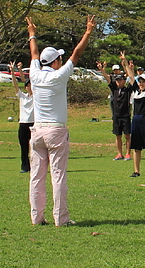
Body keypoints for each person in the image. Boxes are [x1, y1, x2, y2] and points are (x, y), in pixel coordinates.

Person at [26, 14, 96, 227]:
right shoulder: (59, 75)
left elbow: (34, 53)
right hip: (56, 131)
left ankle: (37, 218)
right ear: (55, 61)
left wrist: (32, 34)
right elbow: (76, 53)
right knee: (58, 176)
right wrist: (88, 32)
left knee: (36, 177)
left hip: (37, 131)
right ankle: (61, 219)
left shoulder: (35, 74)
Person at [98, 56, 131, 161]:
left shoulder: (127, 90)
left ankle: (128, 154)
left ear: (123, 81)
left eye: (120, 80)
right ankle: (119, 154)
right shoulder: (115, 90)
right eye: (117, 81)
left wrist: (125, 64)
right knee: (118, 135)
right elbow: (108, 79)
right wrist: (102, 70)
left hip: (125, 115)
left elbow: (131, 76)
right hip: (116, 116)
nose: (118, 82)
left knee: (127, 135)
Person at [11, 62, 34, 173]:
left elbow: (25, 79)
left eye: (31, 85)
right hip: (23, 124)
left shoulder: (36, 97)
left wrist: (20, 70)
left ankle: (35, 167)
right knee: (24, 147)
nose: (29, 87)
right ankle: (25, 167)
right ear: (25, 88)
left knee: (34, 148)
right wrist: (13, 72)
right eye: (28, 86)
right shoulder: (22, 96)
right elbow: (15, 85)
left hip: (34, 124)